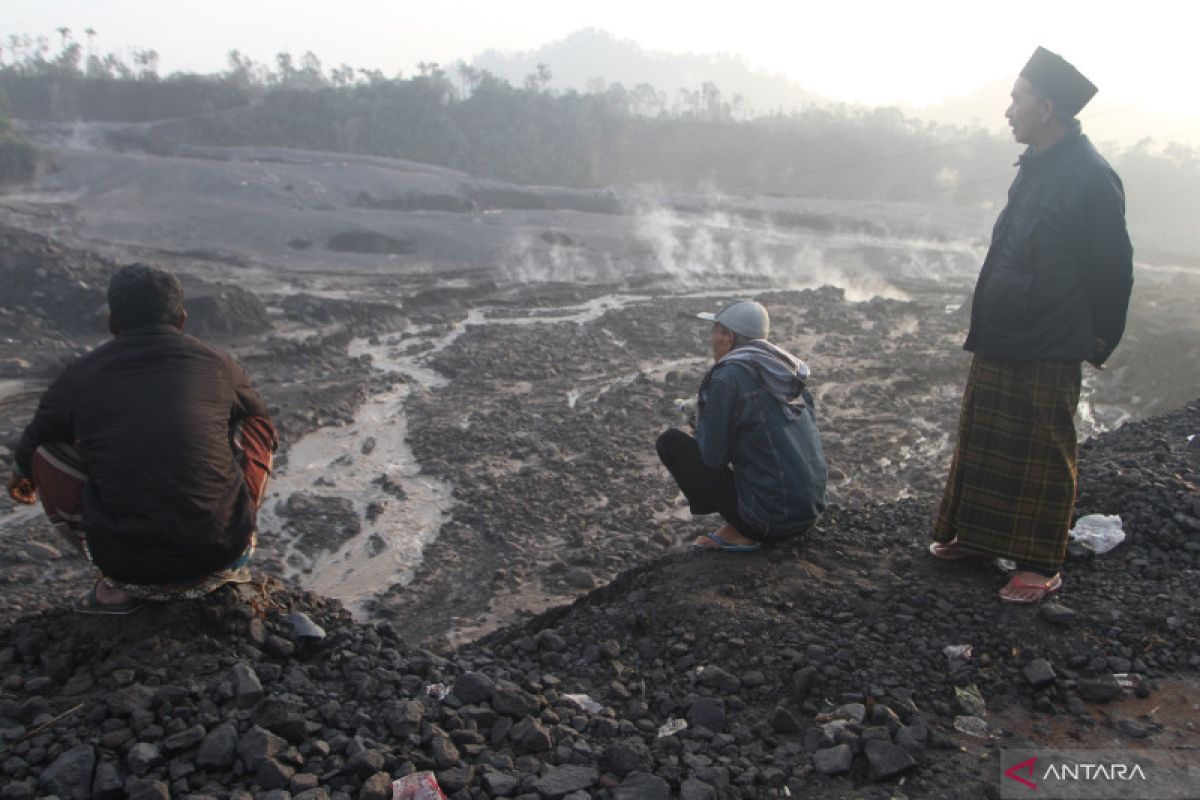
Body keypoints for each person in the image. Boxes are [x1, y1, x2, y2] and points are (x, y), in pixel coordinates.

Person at [930, 47, 1134, 603]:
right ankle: (974, 536)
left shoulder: (1092, 177)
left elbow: (1113, 267)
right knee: (988, 435)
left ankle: (1041, 563)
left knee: (1044, 448)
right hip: (1006, 327)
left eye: (1017, 99)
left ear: (1046, 108)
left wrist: (1099, 335)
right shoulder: (1036, 166)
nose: (1009, 111)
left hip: (1051, 336)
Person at [6, 263, 277, 614]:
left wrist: (21, 474)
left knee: (44, 450)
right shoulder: (220, 364)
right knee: (255, 425)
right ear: (181, 319)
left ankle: (114, 585)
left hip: (126, 567)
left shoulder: (80, 374)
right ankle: (235, 543)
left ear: (113, 322)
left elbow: (35, 439)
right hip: (223, 552)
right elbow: (260, 421)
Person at [657, 300, 827, 551]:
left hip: (771, 523)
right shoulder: (785, 368)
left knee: (670, 442)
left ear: (729, 336)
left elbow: (713, 457)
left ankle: (740, 528)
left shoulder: (728, 376)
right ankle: (747, 517)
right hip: (811, 512)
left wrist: (702, 424)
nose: (711, 338)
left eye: (715, 330)